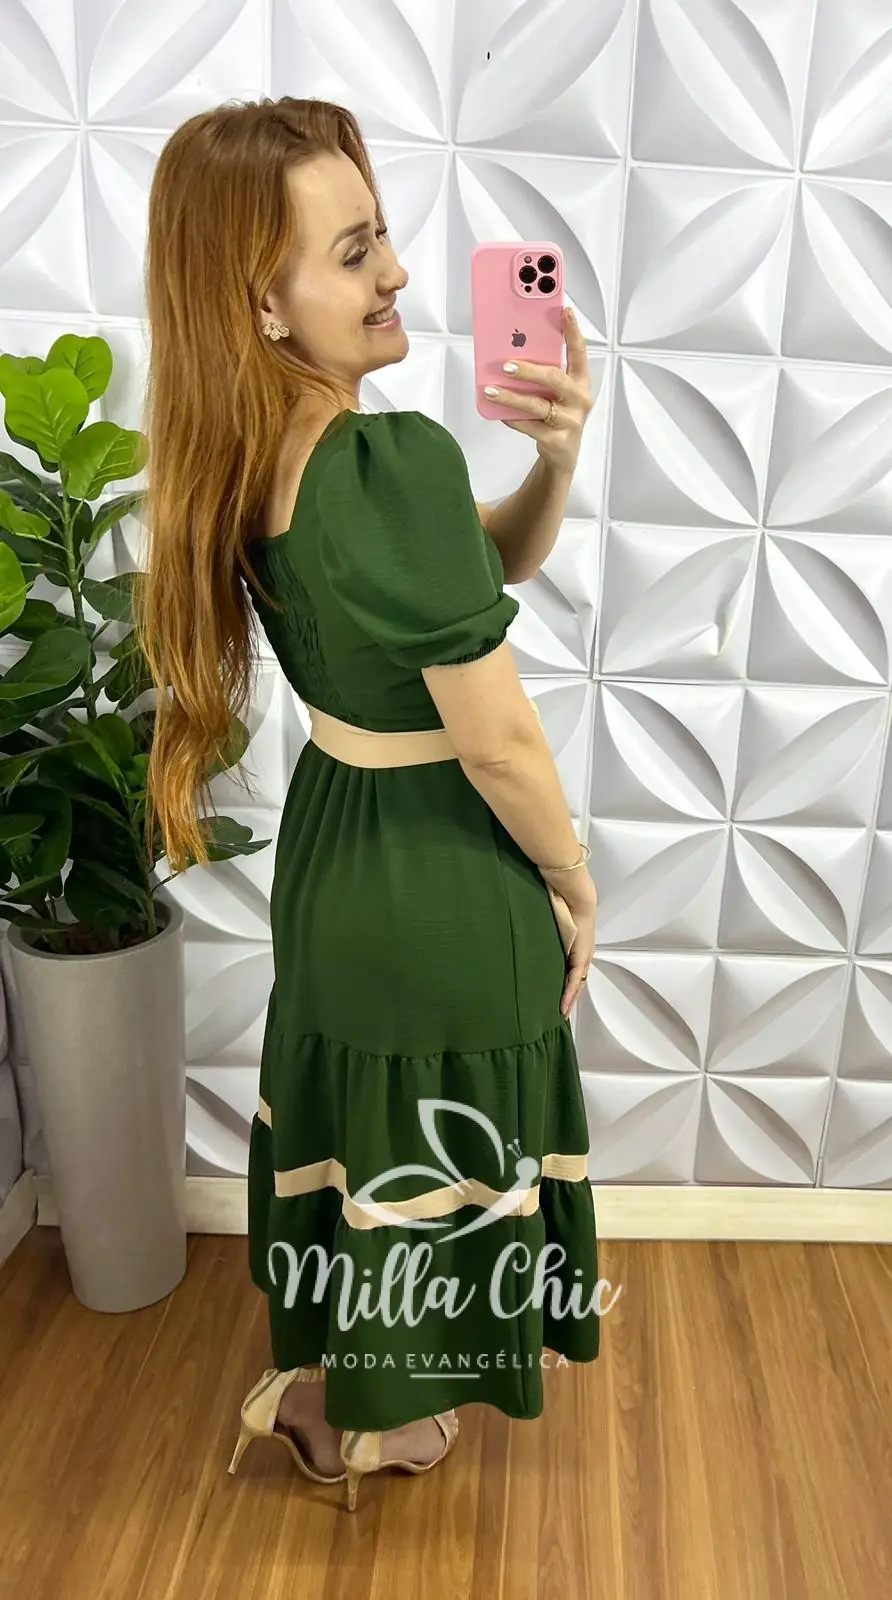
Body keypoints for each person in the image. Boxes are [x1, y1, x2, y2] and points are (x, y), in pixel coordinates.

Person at [136, 95, 599, 1515]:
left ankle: (339, 1393)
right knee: (436, 1131)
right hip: (435, 866)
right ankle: (366, 1419)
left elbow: (481, 567)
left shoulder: (256, 455)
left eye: (381, 234)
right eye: (353, 252)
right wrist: (573, 878)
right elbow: (499, 742)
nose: (396, 271)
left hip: (342, 841)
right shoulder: (384, 464)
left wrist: (556, 462)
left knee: (365, 1125)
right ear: (260, 301)